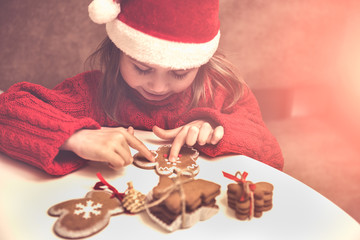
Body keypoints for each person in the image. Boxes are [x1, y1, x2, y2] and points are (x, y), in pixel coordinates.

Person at [0, 0, 283, 176]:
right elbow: (7, 110)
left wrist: (216, 127)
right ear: (118, 51)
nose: (158, 87)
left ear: (200, 63)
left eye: (179, 73)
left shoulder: (222, 91)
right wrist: (75, 137)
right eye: (142, 68)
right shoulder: (93, 93)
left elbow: (272, 155)